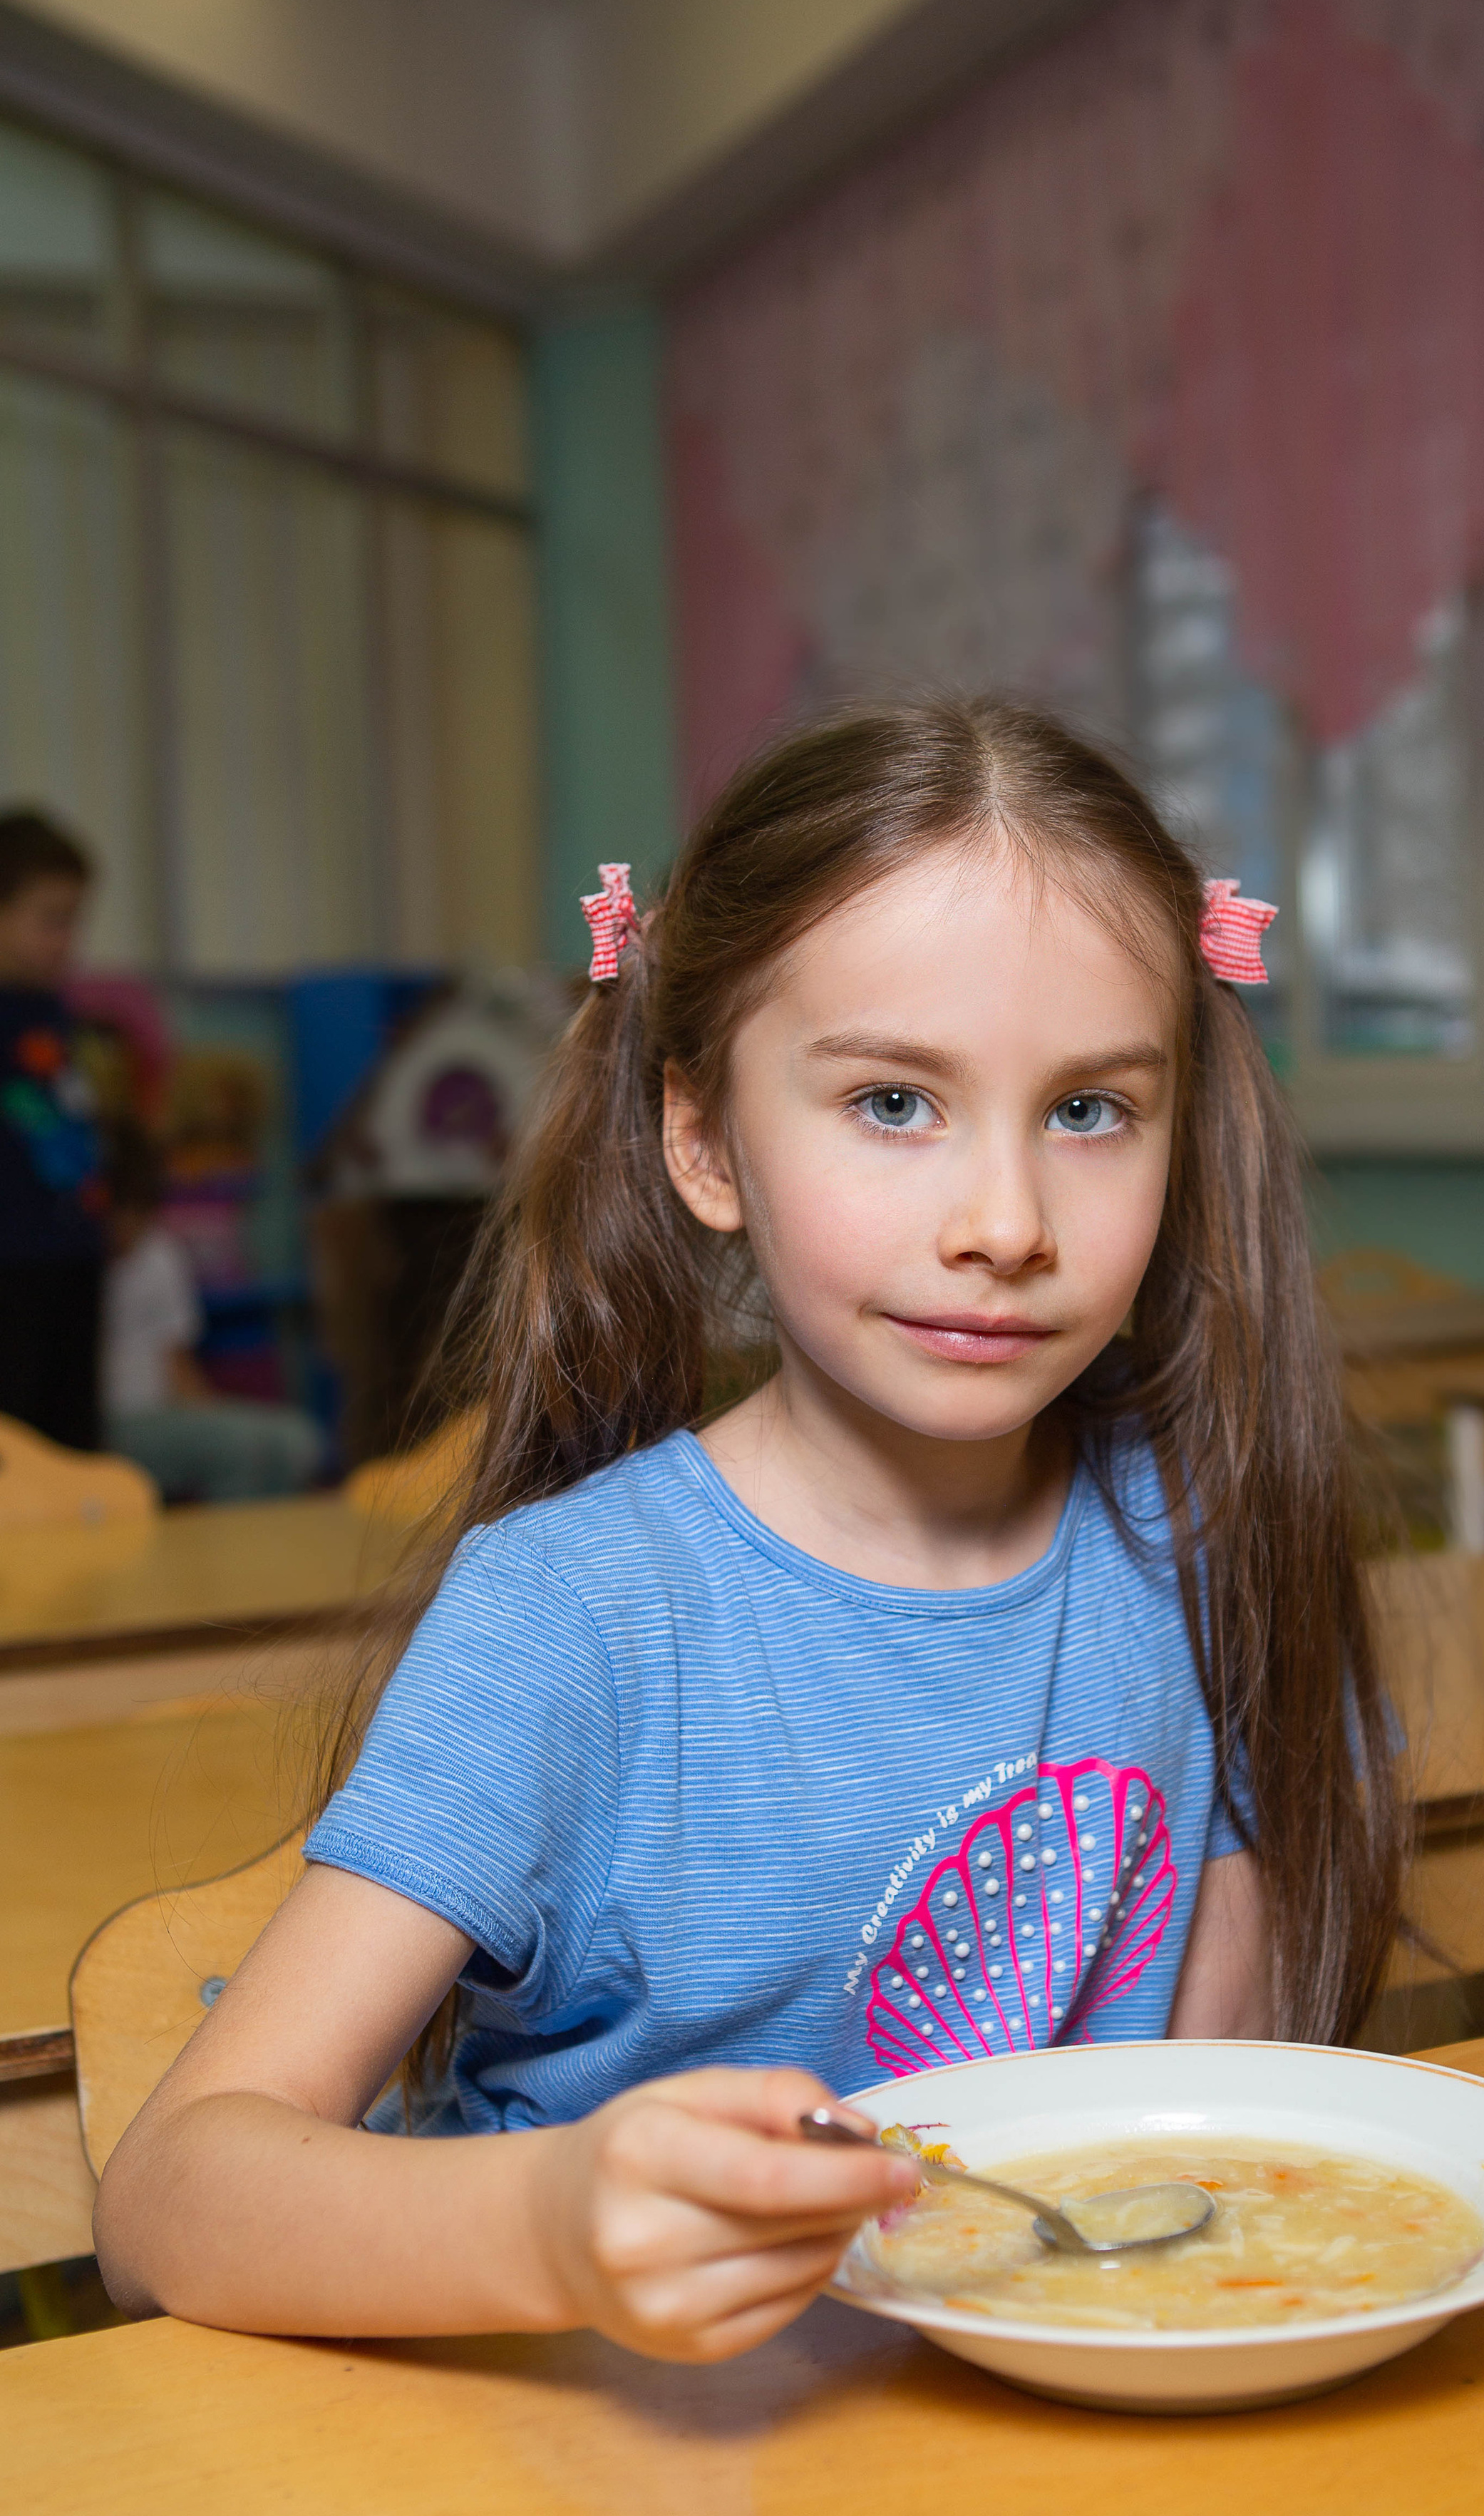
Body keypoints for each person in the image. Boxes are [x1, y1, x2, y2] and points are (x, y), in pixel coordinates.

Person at [95, 699, 1405, 2366]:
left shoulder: (1193, 1529)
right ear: (703, 1140)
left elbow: (1203, 2098)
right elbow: (162, 2208)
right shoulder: (572, 1612)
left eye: (1087, 1112)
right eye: (888, 1102)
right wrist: (552, 2225)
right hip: (583, 2466)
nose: (1002, 1224)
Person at [101, 1121, 324, 1502]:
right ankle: (229, 1558)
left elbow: (179, 1366)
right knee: (238, 1449)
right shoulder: (66, 1270)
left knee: (299, 1439)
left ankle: (271, 1554)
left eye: (142, 1211)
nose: (131, 1226)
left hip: (162, 1415)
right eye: (122, 1209)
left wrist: (215, 1415)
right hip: (111, 1421)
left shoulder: (158, 1253)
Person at [0, 809, 106, 1448]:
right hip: (10, 1265)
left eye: (75, 922)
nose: (68, 940)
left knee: (74, 1440)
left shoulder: (54, 1012)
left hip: (72, 1254)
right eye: (52, 920)